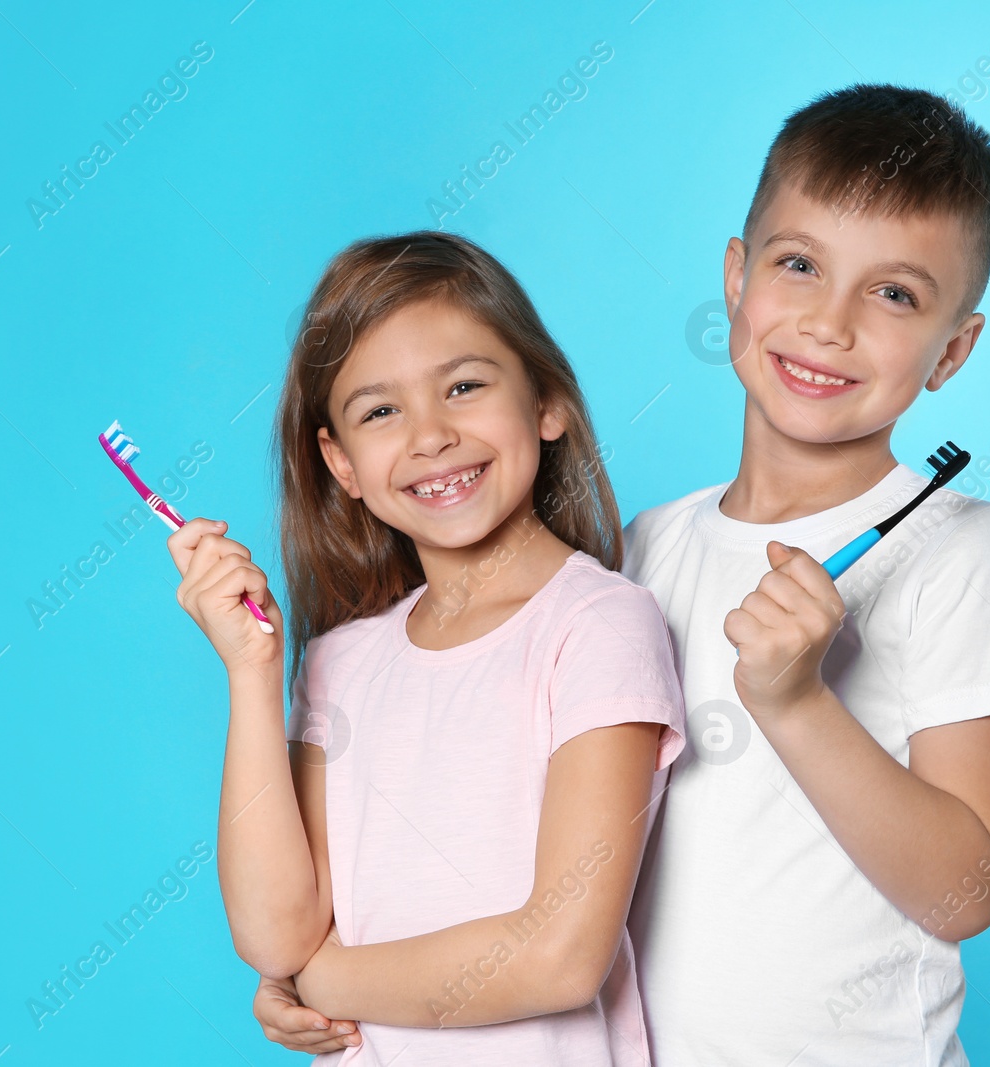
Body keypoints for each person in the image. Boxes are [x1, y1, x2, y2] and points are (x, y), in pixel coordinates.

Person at [170, 230, 686, 1064]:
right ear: (341, 464)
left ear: (547, 402)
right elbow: (277, 937)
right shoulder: (340, 660)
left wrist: (322, 981)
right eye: (381, 410)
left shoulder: (599, 624)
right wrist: (254, 672)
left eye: (465, 386)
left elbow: (559, 957)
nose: (430, 434)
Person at [622, 83, 990, 1066]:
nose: (828, 322)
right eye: (799, 264)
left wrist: (797, 702)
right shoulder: (645, 546)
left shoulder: (957, 547)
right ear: (735, 277)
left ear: (953, 348)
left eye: (893, 292)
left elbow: (966, 889)